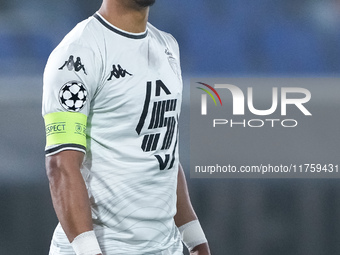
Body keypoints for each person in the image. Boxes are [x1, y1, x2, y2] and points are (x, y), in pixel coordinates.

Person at [42, 0, 211, 254]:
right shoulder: (77, 53)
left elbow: (162, 153)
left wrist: (195, 240)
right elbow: (61, 166)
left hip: (165, 248)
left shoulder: (167, 46)